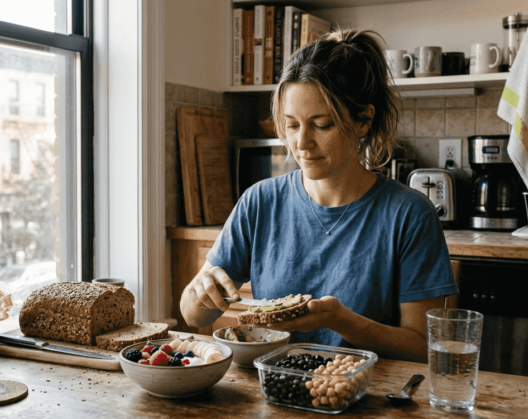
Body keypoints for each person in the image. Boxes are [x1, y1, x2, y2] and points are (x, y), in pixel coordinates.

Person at [179, 29, 457, 363]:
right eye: (292, 125)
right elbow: (193, 317)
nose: (301, 143)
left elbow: (423, 347)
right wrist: (201, 295)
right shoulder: (260, 202)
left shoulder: (409, 215)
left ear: (363, 121)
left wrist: (341, 321)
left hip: (366, 400)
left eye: (321, 125)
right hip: (274, 392)